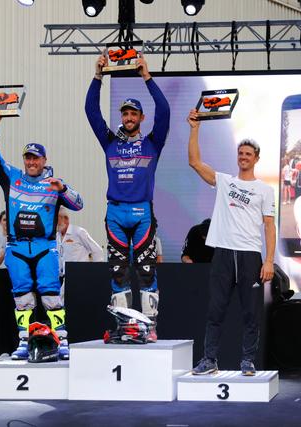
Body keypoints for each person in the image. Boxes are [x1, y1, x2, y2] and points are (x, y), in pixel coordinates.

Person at [0, 112, 83, 361]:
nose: (31, 162)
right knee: (22, 298)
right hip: (16, 247)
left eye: (35, 158)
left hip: (45, 247)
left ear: (44, 160)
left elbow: (79, 204)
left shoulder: (54, 183)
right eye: (28, 157)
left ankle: (62, 340)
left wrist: (64, 189)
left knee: (51, 296)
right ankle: (24, 341)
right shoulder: (13, 177)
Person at [85, 52, 170, 340]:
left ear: (141, 118)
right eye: (125, 113)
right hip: (115, 213)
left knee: (146, 271)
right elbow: (91, 111)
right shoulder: (110, 141)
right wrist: (98, 76)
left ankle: (150, 327)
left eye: (134, 114)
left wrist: (146, 76)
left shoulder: (153, 142)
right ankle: (126, 326)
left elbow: (164, 110)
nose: (129, 117)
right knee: (118, 272)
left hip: (142, 212)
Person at [186, 110, 275, 376]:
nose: (243, 157)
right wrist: (194, 128)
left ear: (256, 158)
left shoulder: (265, 190)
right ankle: (209, 359)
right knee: (215, 311)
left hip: (250, 255)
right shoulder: (225, 181)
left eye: (248, 154)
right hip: (224, 253)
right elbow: (194, 162)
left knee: (250, 314)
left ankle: (247, 360)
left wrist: (269, 260)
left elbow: (269, 226)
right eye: (240, 153)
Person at [56, 206, 104, 278]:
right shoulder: (57, 235)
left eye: (57, 219)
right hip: (63, 277)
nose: (54, 222)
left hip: (79, 275)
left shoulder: (78, 232)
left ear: (65, 219)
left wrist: (96, 273)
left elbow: (97, 251)